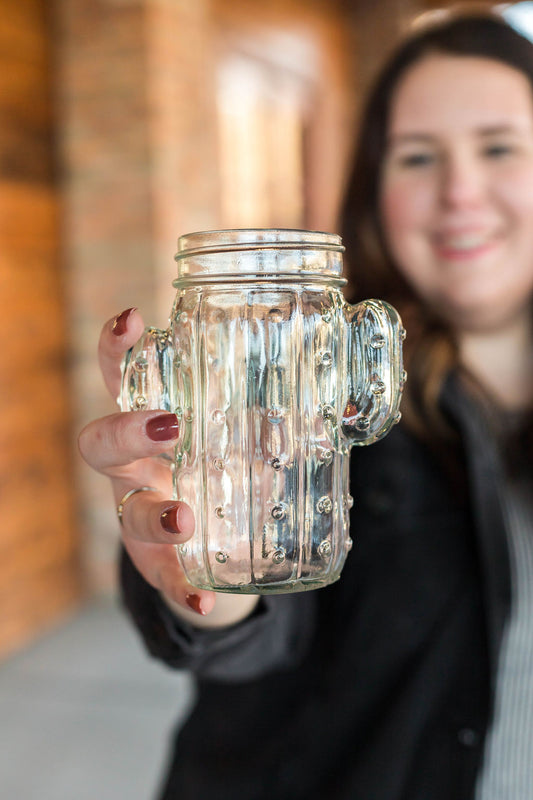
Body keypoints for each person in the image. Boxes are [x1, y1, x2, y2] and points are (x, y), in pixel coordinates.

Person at [78, 11, 533, 799]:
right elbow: (255, 647)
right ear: (371, 186)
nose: (459, 191)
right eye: (416, 156)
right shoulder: (313, 382)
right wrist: (216, 588)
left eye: (498, 147)